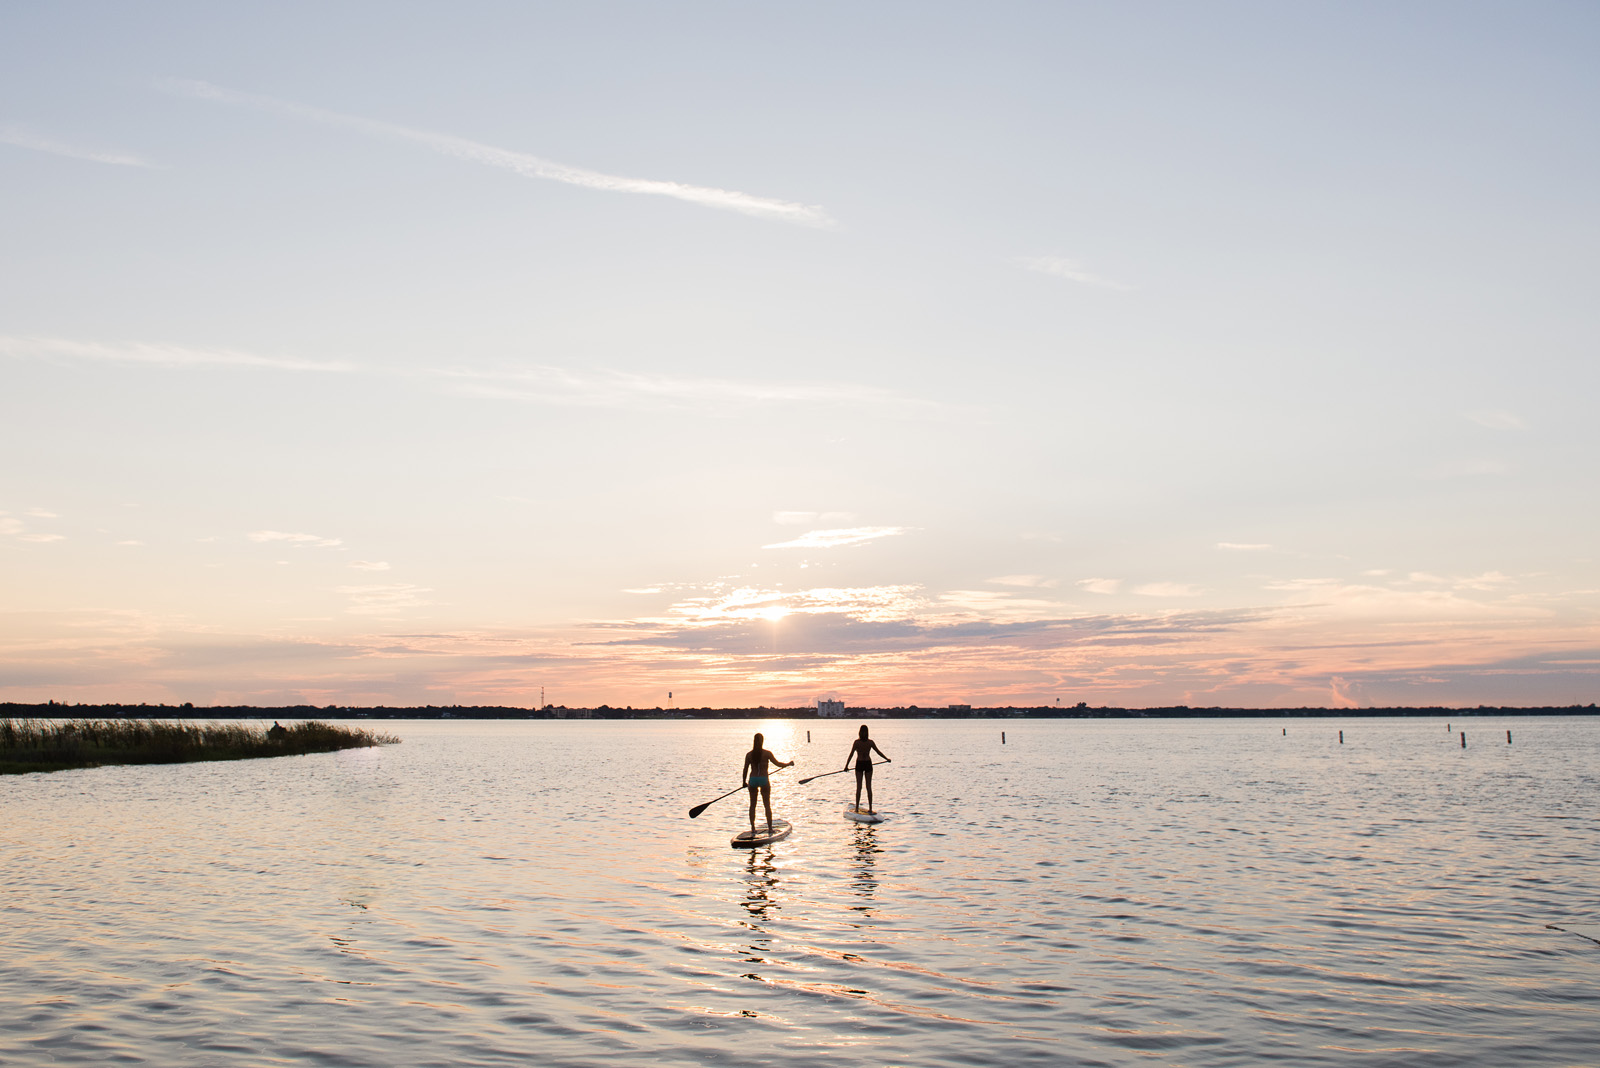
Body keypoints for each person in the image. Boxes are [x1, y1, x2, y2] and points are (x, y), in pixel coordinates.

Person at [742, 732, 793, 835]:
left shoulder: (749, 755)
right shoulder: (767, 753)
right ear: (762, 741)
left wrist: (743, 782)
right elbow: (778, 764)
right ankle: (770, 829)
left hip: (753, 780)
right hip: (763, 780)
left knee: (752, 805)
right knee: (767, 805)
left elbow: (745, 769)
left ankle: (753, 828)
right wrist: (788, 764)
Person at [844, 725, 890, 814]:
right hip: (867, 764)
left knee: (859, 787)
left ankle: (857, 808)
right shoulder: (870, 742)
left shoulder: (857, 742)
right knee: (868, 787)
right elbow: (878, 752)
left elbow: (851, 755)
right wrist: (886, 759)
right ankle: (870, 808)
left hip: (860, 764)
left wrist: (846, 766)